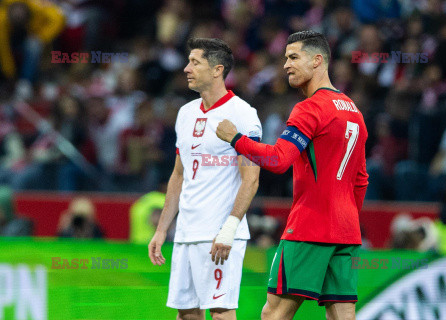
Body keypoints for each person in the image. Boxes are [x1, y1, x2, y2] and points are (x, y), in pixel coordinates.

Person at [216, 31, 369, 320]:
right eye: (285, 57)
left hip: (310, 227)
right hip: (347, 231)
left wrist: (235, 138)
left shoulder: (310, 108)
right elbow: (360, 179)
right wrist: (344, 218)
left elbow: (277, 160)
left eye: (294, 57)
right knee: (343, 314)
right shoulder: (354, 112)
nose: (286, 64)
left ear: (318, 60)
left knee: (273, 314)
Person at [148, 38, 262, 320]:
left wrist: (229, 229)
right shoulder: (185, 113)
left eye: (194, 62)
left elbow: (251, 179)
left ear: (217, 70)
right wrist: (163, 230)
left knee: (221, 312)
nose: (186, 68)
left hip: (219, 234)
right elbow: (179, 174)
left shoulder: (243, 114)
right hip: (186, 232)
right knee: (186, 313)